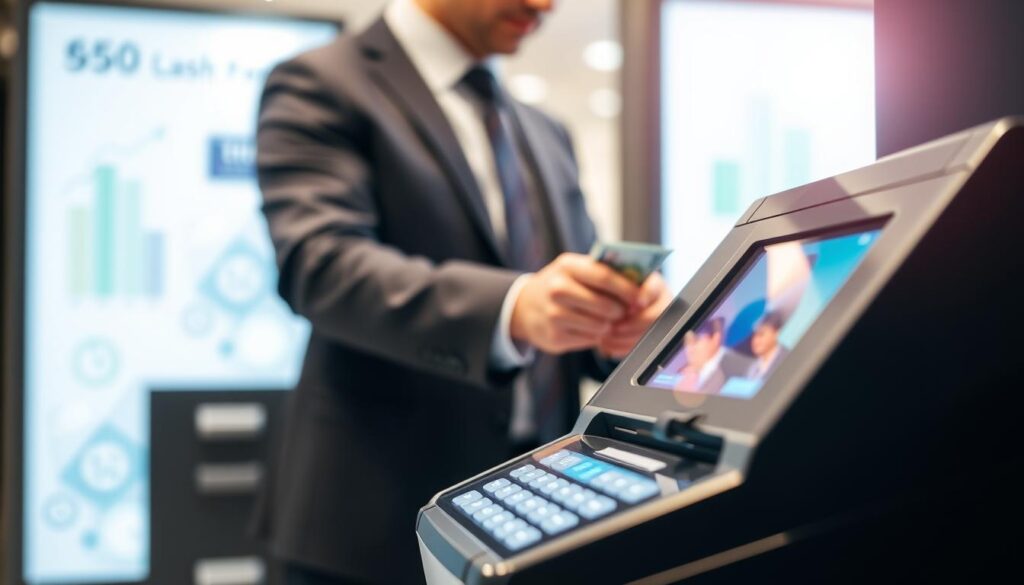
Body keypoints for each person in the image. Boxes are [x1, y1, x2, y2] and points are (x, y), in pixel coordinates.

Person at [254, 0, 672, 583]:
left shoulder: (545, 131)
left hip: (534, 518)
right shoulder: (322, 81)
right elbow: (322, 266)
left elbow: (568, 296)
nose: (545, 5)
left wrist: (615, 325)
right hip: (373, 526)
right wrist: (513, 308)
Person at [674, 317, 751, 394]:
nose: (690, 349)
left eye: (696, 341)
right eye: (687, 343)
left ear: (715, 338)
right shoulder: (696, 375)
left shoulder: (739, 366)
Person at [746, 310, 790, 381]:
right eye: (754, 335)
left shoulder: (787, 358)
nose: (755, 340)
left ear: (776, 333)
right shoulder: (752, 369)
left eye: (761, 334)